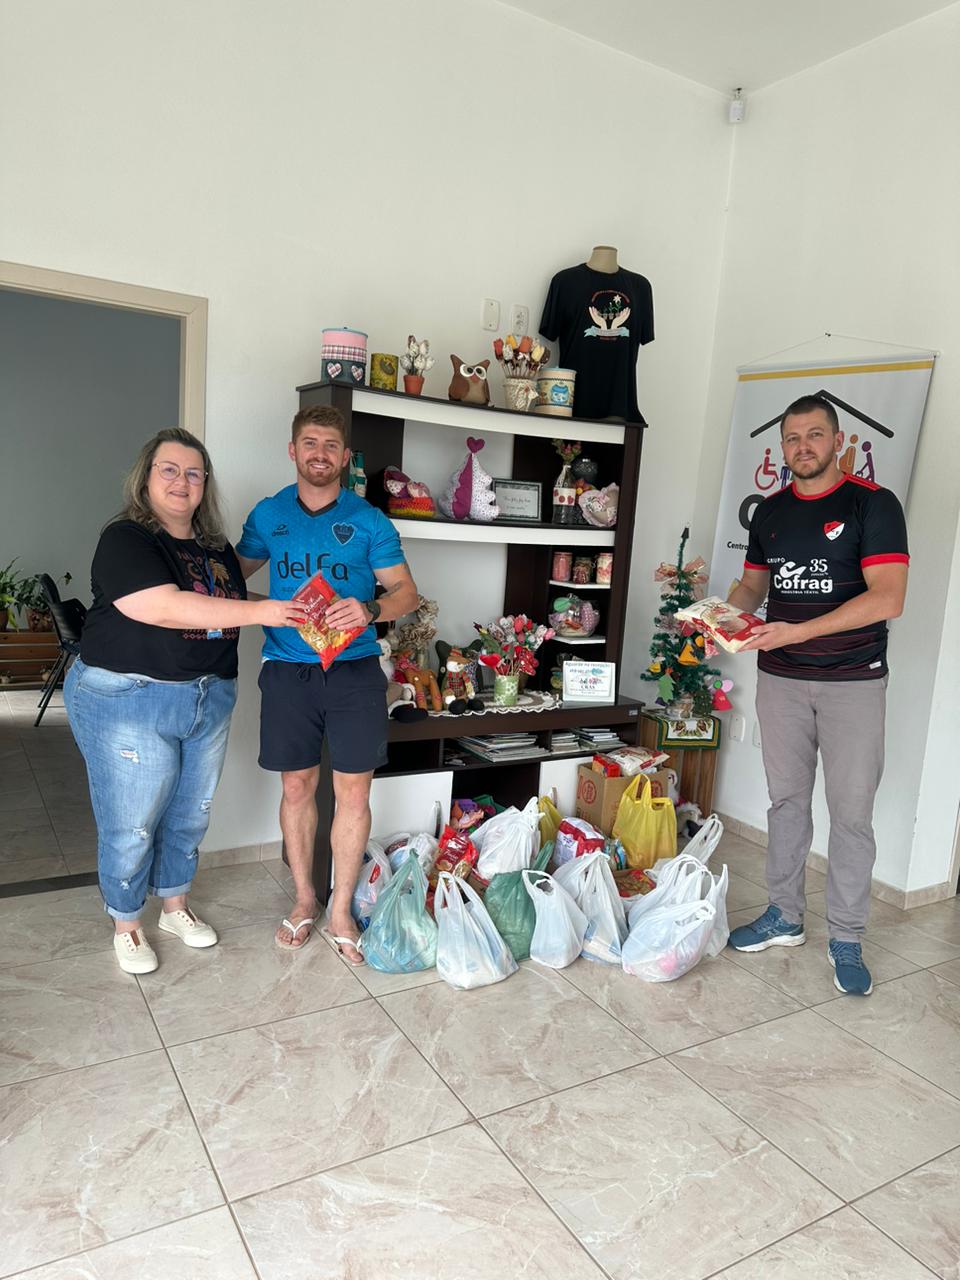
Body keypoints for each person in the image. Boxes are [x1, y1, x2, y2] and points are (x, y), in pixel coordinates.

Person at [65, 428, 304, 974]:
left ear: (205, 485)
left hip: (208, 696)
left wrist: (295, 607)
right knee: (132, 820)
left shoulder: (216, 547)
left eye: (193, 473)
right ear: (146, 478)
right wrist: (266, 614)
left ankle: (174, 904)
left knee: (190, 813)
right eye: (169, 470)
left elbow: (231, 602)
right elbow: (165, 607)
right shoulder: (126, 538)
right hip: (128, 697)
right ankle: (127, 923)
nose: (181, 481)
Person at [726, 395, 908, 996]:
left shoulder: (873, 505)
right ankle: (784, 916)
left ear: (838, 441)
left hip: (853, 684)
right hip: (780, 682)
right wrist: (717, 623)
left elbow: (888, 599)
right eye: (792, 438)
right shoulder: (771, 512)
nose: (802, 447)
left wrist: (797, 630)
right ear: (781, 447)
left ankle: (848, 937)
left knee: (851, 817)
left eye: (814, 435)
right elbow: (753, 586)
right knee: (786, 805)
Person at [236, 405, 418, 961]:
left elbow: (407, 594)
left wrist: (368, 608)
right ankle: (303, 900)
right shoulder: (268, 515)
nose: (320, 453)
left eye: (331, 445)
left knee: (353, 793)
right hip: (288, 671)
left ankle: (340, 908)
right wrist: (265, 610)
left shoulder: (370, 521)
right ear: (293, 450)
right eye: (309, 442)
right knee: (296, 787)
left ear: (345, 457)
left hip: (356, 672)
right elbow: (224, 582)